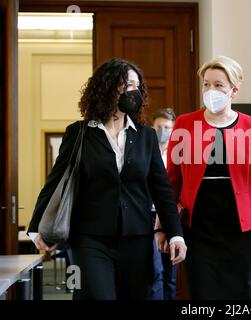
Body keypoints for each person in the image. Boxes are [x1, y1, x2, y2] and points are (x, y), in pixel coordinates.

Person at [27, 58, 187, 300]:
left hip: (137, 237)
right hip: (89, 237)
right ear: (108, 87)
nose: (133, 91)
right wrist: (36, 227)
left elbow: (161, 188)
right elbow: (56, 180)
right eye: (127, 84)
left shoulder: (145, 136)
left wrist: (175, 233)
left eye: (136, 85)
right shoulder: (79, 133)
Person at [157, 56, 251, 300]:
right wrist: (163, 227)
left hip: (241, 232)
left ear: (233, 90)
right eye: (206, 84)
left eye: (218, 85)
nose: (210, 90)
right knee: (203, 296)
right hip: (198, 230)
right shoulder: (185, 124)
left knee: (241, 297)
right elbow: (171, 183)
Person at [149, 108, 178, 300]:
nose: (163, 131)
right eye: (159, 127)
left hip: (169, 217)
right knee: (154, 272)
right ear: (152, 128)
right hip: (147, 216)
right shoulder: (145, 150)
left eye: (167, 127)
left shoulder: (179, 154)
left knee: (170, 274)